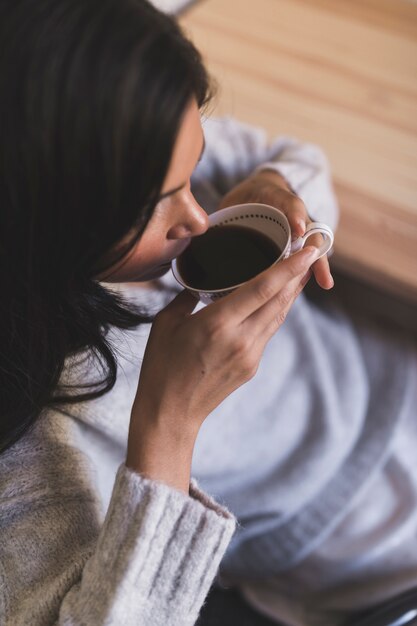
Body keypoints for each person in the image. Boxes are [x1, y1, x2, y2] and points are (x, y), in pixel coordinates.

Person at [1, 2, 416, 626]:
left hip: (387, 369)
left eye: (194, 173)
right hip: (352, 542)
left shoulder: (139, 132)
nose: (197, 219)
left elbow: (288, 153)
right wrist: (168, 425)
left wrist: (276, 186)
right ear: (39, 223)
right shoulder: (35, 432)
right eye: (154, 206)